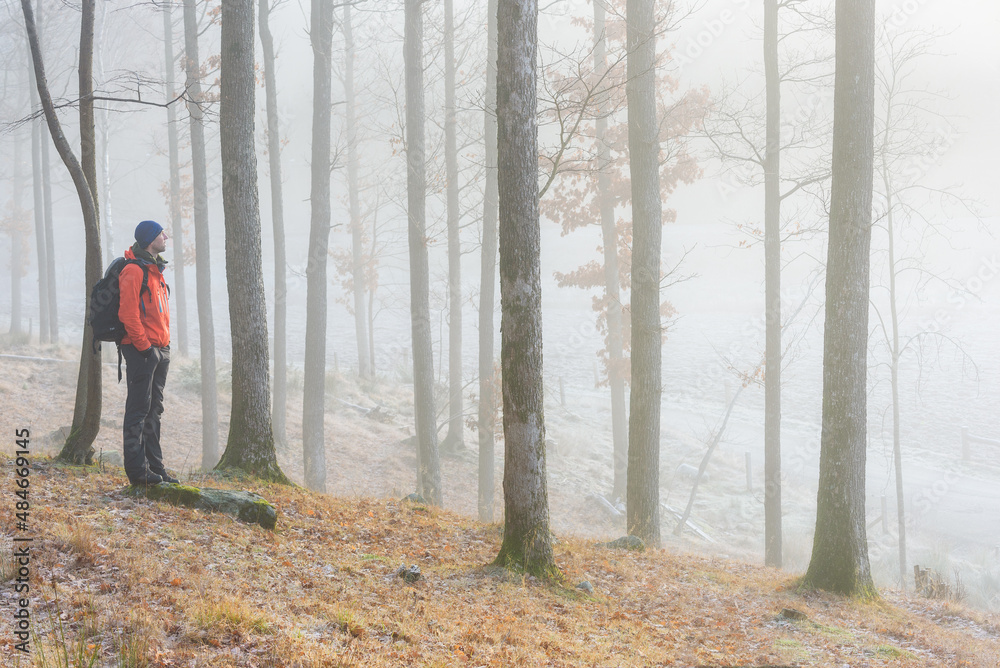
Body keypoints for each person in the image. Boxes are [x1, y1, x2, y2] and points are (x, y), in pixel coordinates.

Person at [119, 220, 178, 485]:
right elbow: (128, 315)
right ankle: (138, 473)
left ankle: (156, 468)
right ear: (149, 239)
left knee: (154, 411)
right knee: (138, 411)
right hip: (141, 350)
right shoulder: (134, 270)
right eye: (161, 233)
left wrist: (163, 349)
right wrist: (146, 349)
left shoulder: (155, 270)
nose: (166, 237)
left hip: (160, 350)